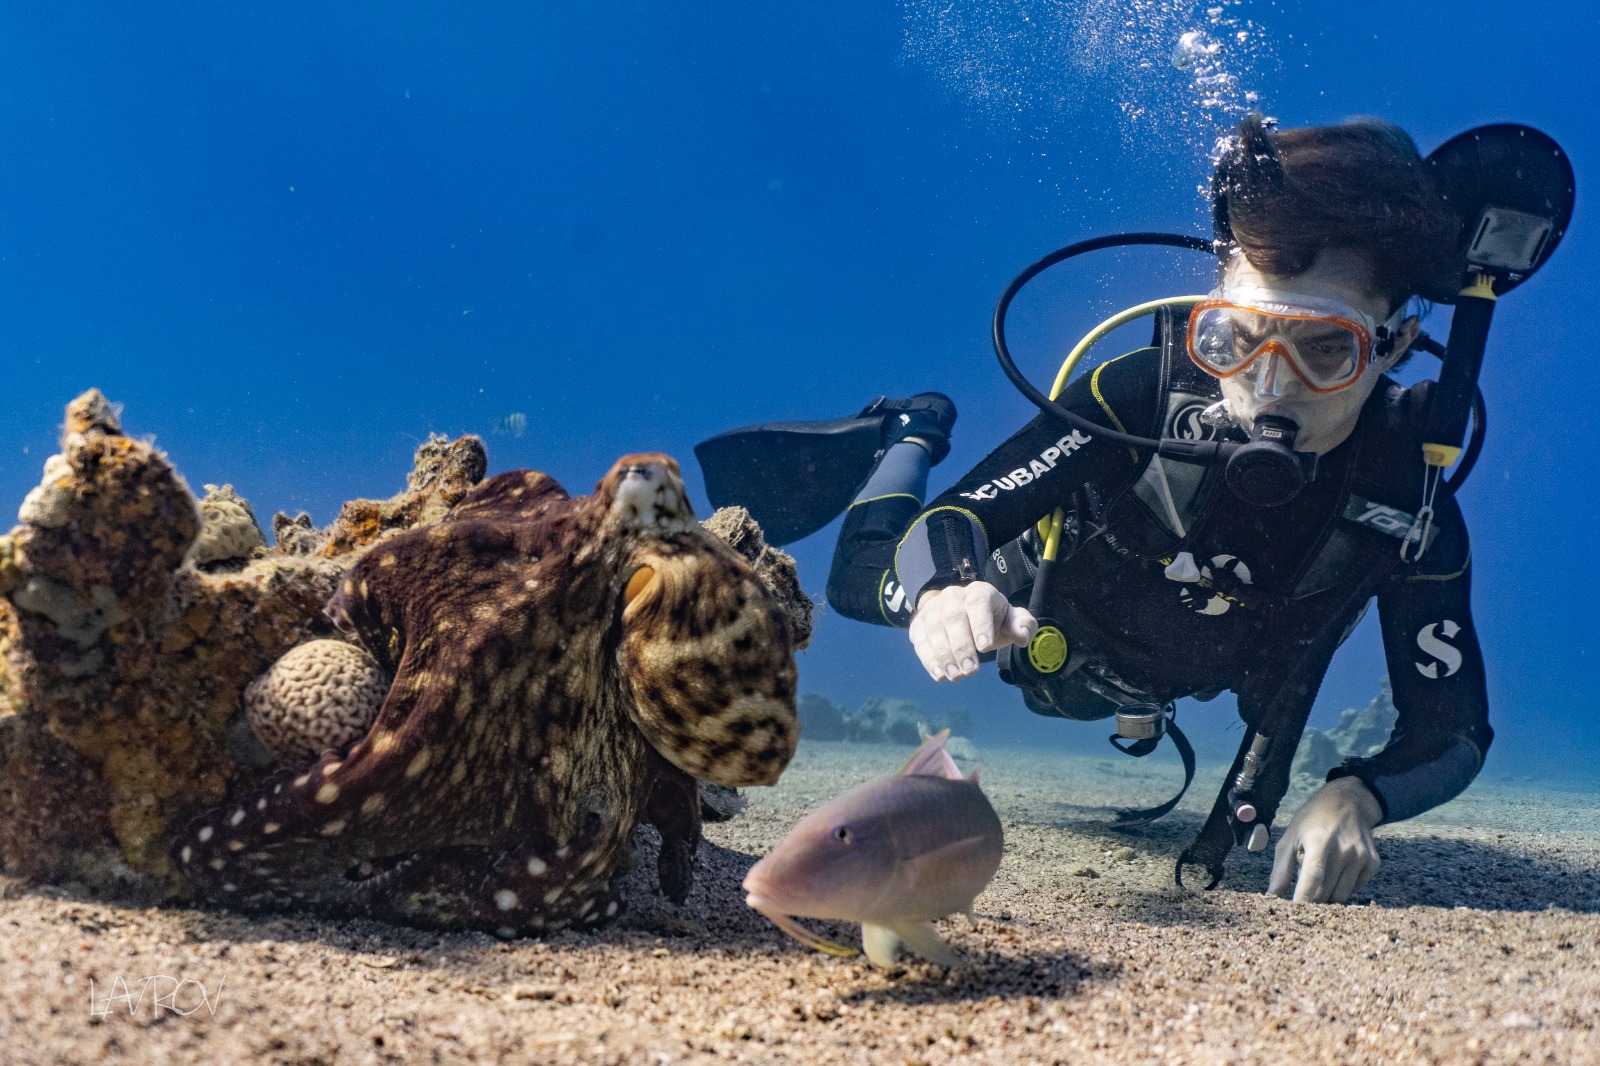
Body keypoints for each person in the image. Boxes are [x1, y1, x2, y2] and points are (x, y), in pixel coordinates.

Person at [700, 115, 1493, 903]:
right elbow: (954, 521)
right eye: (1234, 340)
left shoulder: (1407, 497)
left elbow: (1451, 728)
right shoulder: (1143, 395)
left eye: (1327, 349)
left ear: (1393, 345)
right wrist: (946, 586)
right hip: (1042, 610)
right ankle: (910, 430)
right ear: (1206, 315)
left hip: (1159, 670)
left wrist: (1359, 796)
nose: (1270, 387)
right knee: (857, 582)